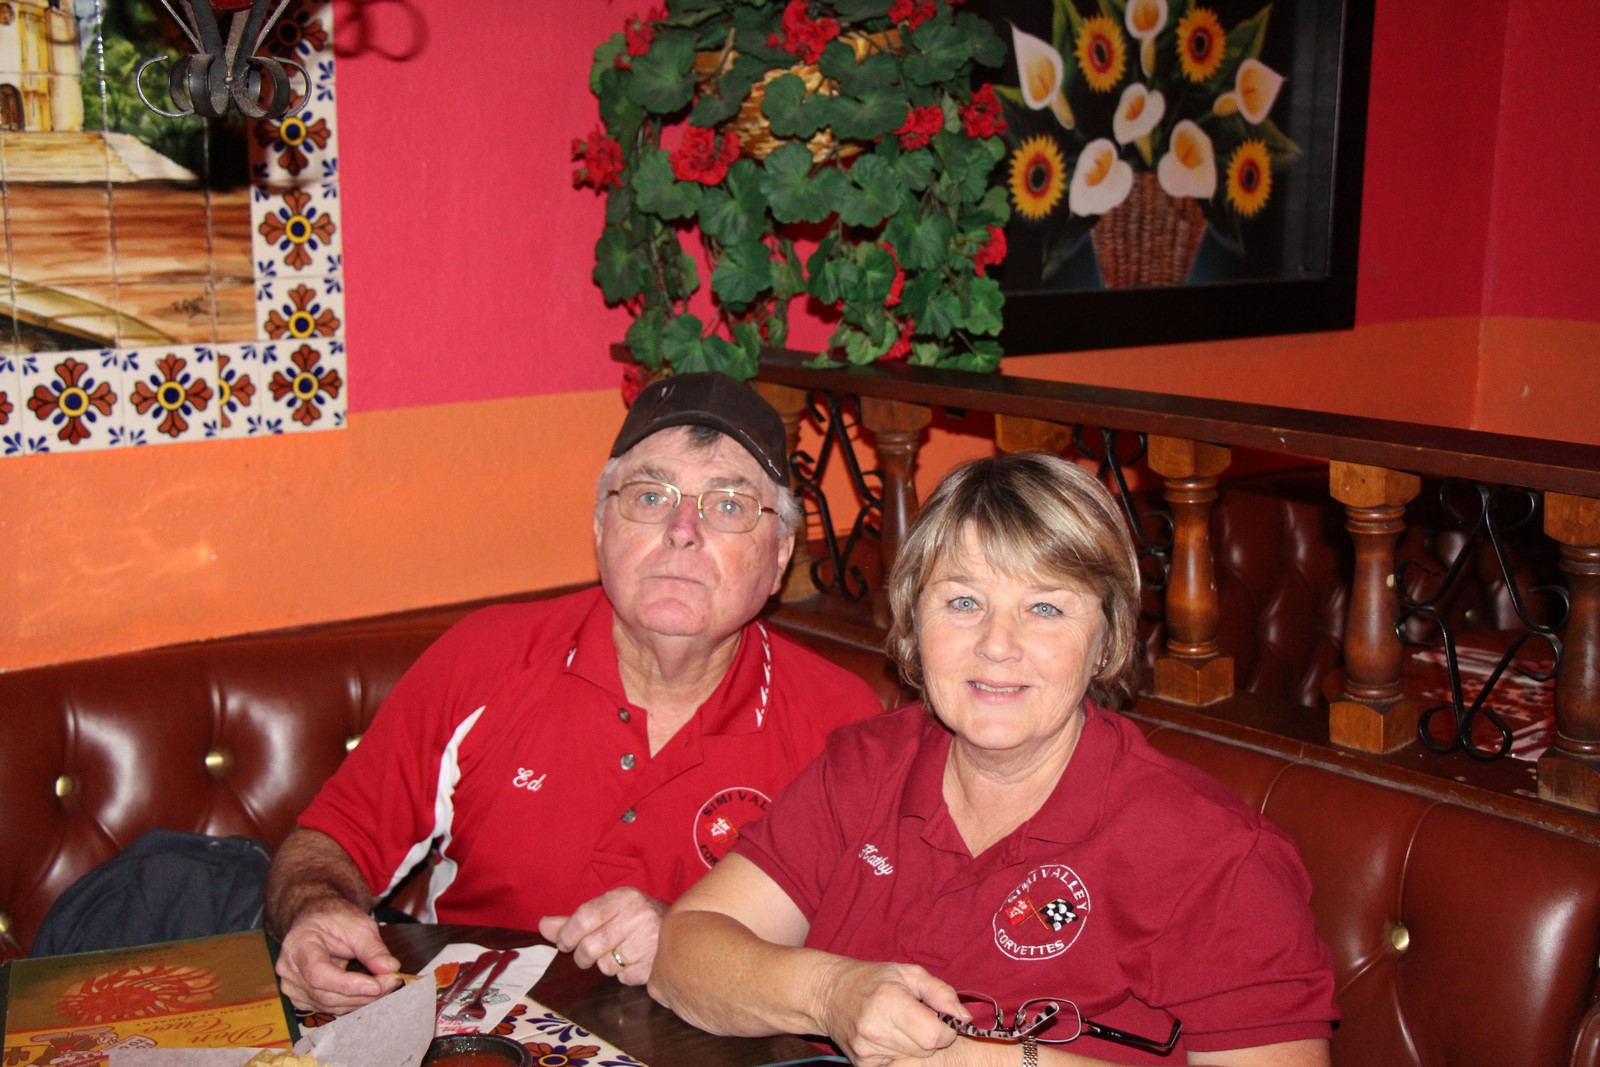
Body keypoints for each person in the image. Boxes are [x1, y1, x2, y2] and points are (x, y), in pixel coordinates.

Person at [650, 452, 1338, 1067]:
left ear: (1106, 641)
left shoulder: (1217, 855)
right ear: (914, 622)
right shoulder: (866, 765)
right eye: (963, 601)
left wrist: (972, 1060)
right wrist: (832, 994)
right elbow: (684, 953)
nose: (997, 644)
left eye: (1045, 608)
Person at [266, 372, 884, 1014]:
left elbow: (866, 948)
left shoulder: (843, 725)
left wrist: (691, 944)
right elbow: (331, 842)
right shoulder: (483, 658)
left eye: (728, 506)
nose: (682, 530)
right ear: (600, 527)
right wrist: (316, 912)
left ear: (780, 554)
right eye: (650, 496)